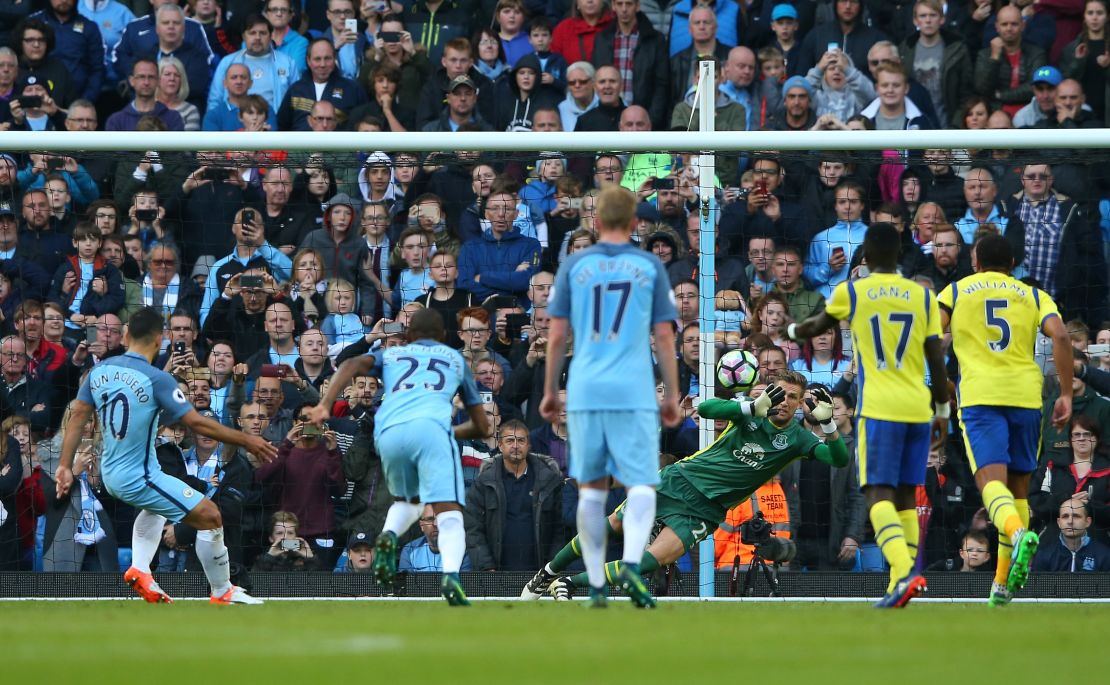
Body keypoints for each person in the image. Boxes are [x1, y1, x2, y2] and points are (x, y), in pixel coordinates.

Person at [524, 371, 847, 600]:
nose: (785, 402)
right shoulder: (751, 414)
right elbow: (704, 409)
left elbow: (839, 459)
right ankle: (548, 572)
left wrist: (829, 423)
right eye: (780, 394)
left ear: (801, 404)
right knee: (612, 525)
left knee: (651, 560)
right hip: (679, 480)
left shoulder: (798, 439)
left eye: (793, 398)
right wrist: (750, 406)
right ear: (768, 394)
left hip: (706, 510)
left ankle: (568, 582)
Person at [54, 307, 277, 604]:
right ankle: (223, 590)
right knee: (211, 516)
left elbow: (79, 414)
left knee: (156, 507)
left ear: (126, 335)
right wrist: (247, 439)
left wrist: (65, 466)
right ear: (161, 340)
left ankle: (140, 568)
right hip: (138, 476)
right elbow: (196, 423)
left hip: (114, 472)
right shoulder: (157, 379)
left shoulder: (98, 371)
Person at [789, 222, 950, 608]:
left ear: (867, 255)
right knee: (907, 496)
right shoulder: (923, 297)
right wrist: (942, 408)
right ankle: (900, 582)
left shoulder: (854, 291)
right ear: (899, 255)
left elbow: (816, 326)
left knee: (876, 492)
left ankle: (906, 571)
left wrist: (795, 328)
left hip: (879, 408)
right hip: (917, 405)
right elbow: (936, 357)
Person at [537, 185, 680, 609]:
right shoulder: (649, 265)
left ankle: (597, 581)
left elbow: (557, 333)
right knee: (639, 484)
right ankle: (632, 565)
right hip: (633, 386)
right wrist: (671, 393)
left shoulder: (574, 265)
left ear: (595, 222)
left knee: (593, 489)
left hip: (586, 386)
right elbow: (665, 336)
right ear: (635, 223)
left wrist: (549, 390)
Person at [308, 308, 489, 605]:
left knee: (409, 501)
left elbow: (350, 363)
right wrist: (448, 433)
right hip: (431, 429)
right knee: (450, 512)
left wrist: (325, 403)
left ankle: (389, 534)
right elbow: (482, 426)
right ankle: (452, 577)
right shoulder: (456, 360)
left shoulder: (392, 355)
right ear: (444, 336)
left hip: (388, 432)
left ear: (408, 336)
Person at [936, 233, 1074, 606]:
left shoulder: (957, 290)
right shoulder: (1031, 294)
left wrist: (942, 383)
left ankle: (1016, 535)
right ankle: (1001, 585)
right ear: (1013, 265)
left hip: (981, 398)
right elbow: (1060, 335)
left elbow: (931, 335)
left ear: (975, 262)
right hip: (1026, 399)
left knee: (990, 487)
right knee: (1018, 492)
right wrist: (1063, 392)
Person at [1031, 500, 1110, 572]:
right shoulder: (1044, 555)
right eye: (1065, 516)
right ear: (1059, 522)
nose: (1070, 521)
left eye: (1076, 516)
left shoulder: (1105, 556)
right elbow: (1036, 587)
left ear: (1087, 522)